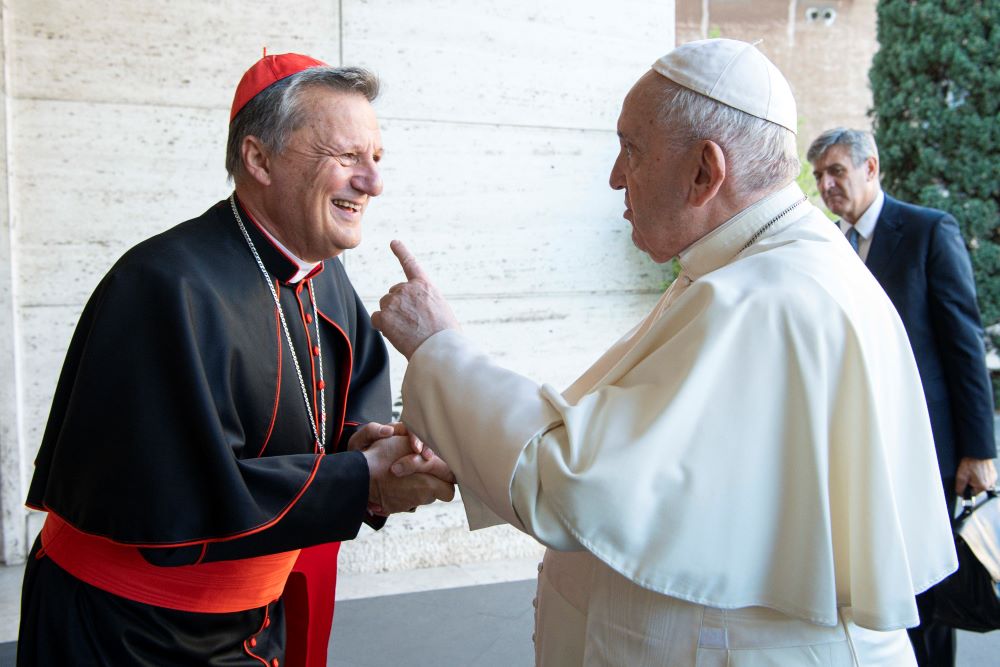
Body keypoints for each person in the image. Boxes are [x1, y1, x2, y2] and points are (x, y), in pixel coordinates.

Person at [372, 39, 958, 665]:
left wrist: (438, 348)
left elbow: (576, 483)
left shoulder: (767, 295)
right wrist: (465, 445)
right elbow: (631, 455)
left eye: (631, 149)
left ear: (706, 171)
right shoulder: (752, 267)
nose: (615, 176)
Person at [17, 53, 455, 666]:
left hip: (252, 620)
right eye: (346, 157)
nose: (372, 183)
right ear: (258, 159)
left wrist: (371, 446)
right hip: (131, 631)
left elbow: (345, 405)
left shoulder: (326, 275)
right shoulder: (164, 285)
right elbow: (182, 490)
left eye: (376, 159)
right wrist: (363, 480)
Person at [807, 127, 999, 667]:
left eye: (836, 171)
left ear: (871, 169)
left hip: (928, 447)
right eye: (819, 175)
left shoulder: (927, 230)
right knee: (877, 580)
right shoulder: (829, 244)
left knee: (927, 588)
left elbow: (964, 344)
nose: (826, 185)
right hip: (860, 446)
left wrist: (979, 451)